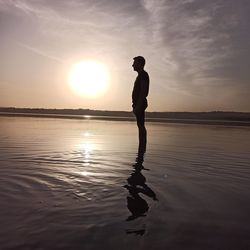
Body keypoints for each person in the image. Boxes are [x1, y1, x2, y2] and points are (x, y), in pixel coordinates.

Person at [132, 56, 149, 153]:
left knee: (141, 125)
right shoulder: (140, 75)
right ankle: (141, 147)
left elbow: (143, 91)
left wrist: (138, 105)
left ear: (140, 64)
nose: (132, 65)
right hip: (138, 104)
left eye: (134, 63)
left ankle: (142, 146)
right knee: (140, 125)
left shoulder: (143, 75)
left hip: (140, 104)